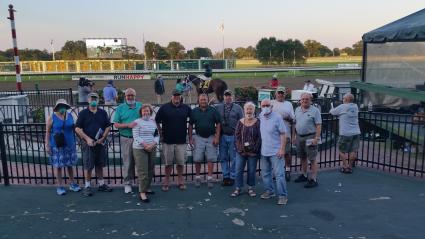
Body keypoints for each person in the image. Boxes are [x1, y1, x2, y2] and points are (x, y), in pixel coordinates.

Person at [75, 92, 113, 197]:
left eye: (95, 99)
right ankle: (87, 186)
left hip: (100, 143)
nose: (93, 101)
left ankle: (101, 184)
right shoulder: (83, 113)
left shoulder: (102, 112)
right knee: (88, 165)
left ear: (98, 100)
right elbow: (77, 128)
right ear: (88, 100)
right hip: (88, 144)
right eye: (91, 99)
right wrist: (87, 139)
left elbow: (108, 126)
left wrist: (103, 137)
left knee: (100, 164)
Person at [155, 89, 191, 191]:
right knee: (168, 163)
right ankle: (167, 181)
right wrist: (160, 133)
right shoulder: (164, 107)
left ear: (180, 96)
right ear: (171, 96)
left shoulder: (186, 108)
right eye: (175, 96)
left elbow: (192, 120)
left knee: (180, 163)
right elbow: (157, 121)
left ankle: (180, 180)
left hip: (181, 140)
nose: (176, 97)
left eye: (178, 96)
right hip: (167, 140)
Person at [45, 99, 81, 195]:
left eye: (63, 106)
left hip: (70, 144)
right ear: (57, 107)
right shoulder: (51, 117)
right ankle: (60, 186)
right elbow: (48, 132)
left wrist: (80, 138)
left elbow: (75, 128)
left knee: (70, 165)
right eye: (60, 106)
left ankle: (72, 184)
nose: (62, 108)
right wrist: (47, 145)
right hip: (57, 145)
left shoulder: (70, 116)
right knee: (58, 166)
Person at [259, 99, 289, 205]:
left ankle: (283, 196)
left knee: (279, 175)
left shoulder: (277, 117)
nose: (266, 107)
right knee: (265, 174)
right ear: (261, 106)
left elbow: (283, 134)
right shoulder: (261, 116)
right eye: (263, 105)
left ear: (271, 106)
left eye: (268, 105)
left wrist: (282, 149)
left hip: (276, 151)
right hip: (264, 151)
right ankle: (269, 191)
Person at [112, 88, 142, 194]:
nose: (130, 97)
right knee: (128, 162)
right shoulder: (120, 108)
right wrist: (127, 125)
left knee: (140, 161)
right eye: (128, 95)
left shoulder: (140, 106)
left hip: (139, 138)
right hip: (126, 138)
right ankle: (128, 183)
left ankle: (141, 183)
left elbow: (147, 118)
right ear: (125, 96)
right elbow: (116, 124)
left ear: (135, 96)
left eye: (132, 95)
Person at [189, 94, 221, 188]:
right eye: (201, 100)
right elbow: (190, 125)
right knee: (197, 158)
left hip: (211, 137)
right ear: (198, 101)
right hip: (198, 137)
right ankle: (198, 177)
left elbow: (218, 124)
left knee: (210, 158)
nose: (203, 101)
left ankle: (210, 178)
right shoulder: (194, 111)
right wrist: (190, 138)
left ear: (208, 100)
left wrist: (217, 137)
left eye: (205, 99)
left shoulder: (213, 110)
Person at [230, 102, 261, 197]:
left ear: (254, 110)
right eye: (247, 109)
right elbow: (237, 136)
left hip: (253, 152)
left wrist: (254, 149)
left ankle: (250, 188)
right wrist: (240, 149)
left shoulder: (258, 122)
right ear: (244, 110)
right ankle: (238, 188)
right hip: (241, 151)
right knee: (238, 169)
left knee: (251, 170)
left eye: (251, 109)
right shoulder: (240, 122)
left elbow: (259, 137)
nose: (249, 111)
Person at [293, 92, 322, 188]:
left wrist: (316, 138)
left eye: (307, 99)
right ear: (300, 100)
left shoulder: (315, 111)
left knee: (312, 158)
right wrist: (294, 136)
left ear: (310, 100)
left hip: (310, 137)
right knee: (302, 157)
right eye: (303, 99)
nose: (305, 101)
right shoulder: (297, 109)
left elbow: (318, 125)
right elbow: (294, 123)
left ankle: (313, 179)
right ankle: (304, 175)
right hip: (299, 137)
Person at [215, 90, 244, 186]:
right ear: (223, 97)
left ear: (232, 97)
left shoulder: (238, 108)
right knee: (223, 157)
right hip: (222, 136)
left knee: (234, 158)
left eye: (229, 95)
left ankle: (232, 176)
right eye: (226, 95)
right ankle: (225, 176)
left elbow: (242, 122)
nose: (228, 97)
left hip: (234, 136)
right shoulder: (218, 107)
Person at [132, 104, 159, 202]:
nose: (146, 112)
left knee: (150, 169)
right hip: (140, 149)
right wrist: (145, 145)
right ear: (141, 113)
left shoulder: (153, 122)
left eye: (147, 111)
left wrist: (153, 144)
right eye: (144, 111)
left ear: (150, 112)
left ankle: (147, 188)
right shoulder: (136, 122)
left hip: (152, 147)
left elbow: (157, 135)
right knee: (142, 171)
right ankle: (142, 192)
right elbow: (136, 136)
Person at [330, 93, 361, 174]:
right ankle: (350, 167)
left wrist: (332, 108)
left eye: (343, 98)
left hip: (345, 133)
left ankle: (346, 166)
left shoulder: (342, 106)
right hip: (356, 132)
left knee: (341, 150)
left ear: (346, 100)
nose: (342, 100)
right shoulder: (355, 106)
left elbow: (332, 112)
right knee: (353, 150)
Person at [271, 86, 295, 181]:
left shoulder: (289, 104)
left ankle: (287, 170)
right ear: (276, 94)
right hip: (274, 134)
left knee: (287, 153)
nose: (280, 94)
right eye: (279, 93)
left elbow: (293, 119)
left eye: (282, 93)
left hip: (286, 133)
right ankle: (276, 171)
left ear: (285, 94)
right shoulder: (271, 103)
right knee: (275, 153)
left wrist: (285, 118)